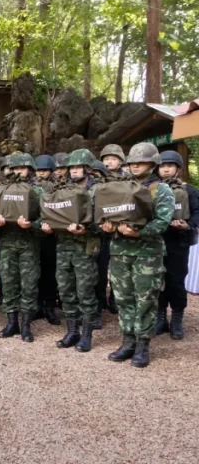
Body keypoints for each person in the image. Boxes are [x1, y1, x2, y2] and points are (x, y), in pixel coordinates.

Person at [103, 142, 173, 368]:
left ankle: (143, 345)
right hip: (120, 251)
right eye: (132, 162)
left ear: (152, 164)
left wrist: (138, 232)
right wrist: (107, 226)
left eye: (141, 162)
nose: (135, 166)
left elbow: (162, 222)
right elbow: (108, 212)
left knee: (145, 299)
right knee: (123, 298)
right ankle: (128, 341)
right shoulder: (120, 187)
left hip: (147, 254)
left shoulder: (161, 190)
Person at [41, 149, 100, 352]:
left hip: (85, 247)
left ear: (88, 168)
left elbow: (105, 221)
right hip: (63, 246)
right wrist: (46, 226)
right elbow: (50, 213)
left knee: (85, 291)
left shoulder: (98, 190)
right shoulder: (61, 189)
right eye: (71, 167)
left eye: (78, 167)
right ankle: (72, 331)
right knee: (66, 291)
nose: (74, 171)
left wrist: (88, 229)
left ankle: (87, 334)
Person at [0, 153, 44, 342]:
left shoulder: (37, 191)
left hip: (29, 244)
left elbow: (47, 219)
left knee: (29, 284)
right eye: (14, 168)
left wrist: (31, 225)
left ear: (30, 169)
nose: (17, 171)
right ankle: (11, 322)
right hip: (7, 242)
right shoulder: (1, 189)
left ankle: (26, 324)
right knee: (8, 283)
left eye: (21, 168)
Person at [155, 151, 199, 340]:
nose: (166, 169)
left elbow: (197, 213)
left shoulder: (189, 191)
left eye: (170, 166)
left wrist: (187, 225)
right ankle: (160, 317)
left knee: (176, 281)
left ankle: (177, 318)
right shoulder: (152, 189)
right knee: (157, 280)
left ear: (178, 169)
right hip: (156, 242)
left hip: (178, 243)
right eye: (162, 166)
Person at [97, 144, 127, 317]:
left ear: (120, 161)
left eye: (113, 159)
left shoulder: (127, 180)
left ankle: (115, 299)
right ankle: (100, 300)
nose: (109, 162)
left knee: (119, 269)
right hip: (101, 233)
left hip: (122, 233)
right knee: (100, 269)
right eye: (106, 159)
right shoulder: (97, 180)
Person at [33, 154, 60, 325]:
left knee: (50, 272)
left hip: (51, 235)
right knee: (35, 272)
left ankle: (49, 306)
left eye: (44, 170)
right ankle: (37, 305)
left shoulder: (58, 187)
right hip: (34, 234)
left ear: (51, 171)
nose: (41, 173)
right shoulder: (30, 186)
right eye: (39, 170)